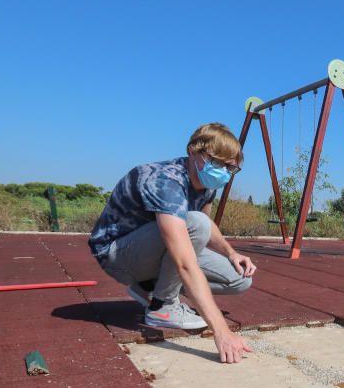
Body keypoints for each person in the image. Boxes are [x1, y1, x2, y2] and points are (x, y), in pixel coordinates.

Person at [88, 123, 254, 363]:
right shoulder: (167, 180)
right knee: (195, 223)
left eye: (231, 168)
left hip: (153, 248)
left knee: (240, 279)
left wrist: (231, 253)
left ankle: (146, 287)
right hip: (116, 254)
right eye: (218, 163)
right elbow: (187, 259)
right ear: (193, 151)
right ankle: (162, 306)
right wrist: (221, 331)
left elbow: (206, 227)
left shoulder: (207, 184)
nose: (224, 172)